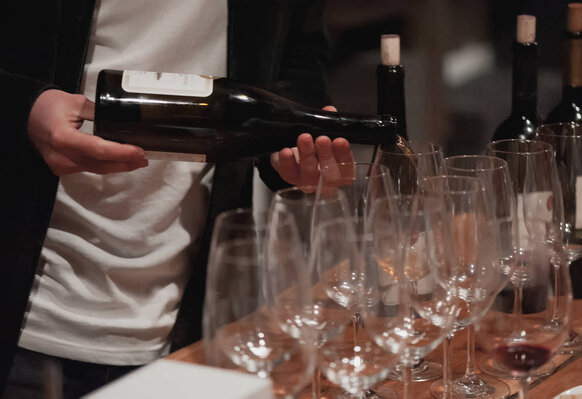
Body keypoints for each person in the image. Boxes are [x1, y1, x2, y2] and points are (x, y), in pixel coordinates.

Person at [0, 0, 353, 397]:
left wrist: (289, 151)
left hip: (193, 326)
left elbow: (297, 59)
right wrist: (20, 108)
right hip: (26, 326)